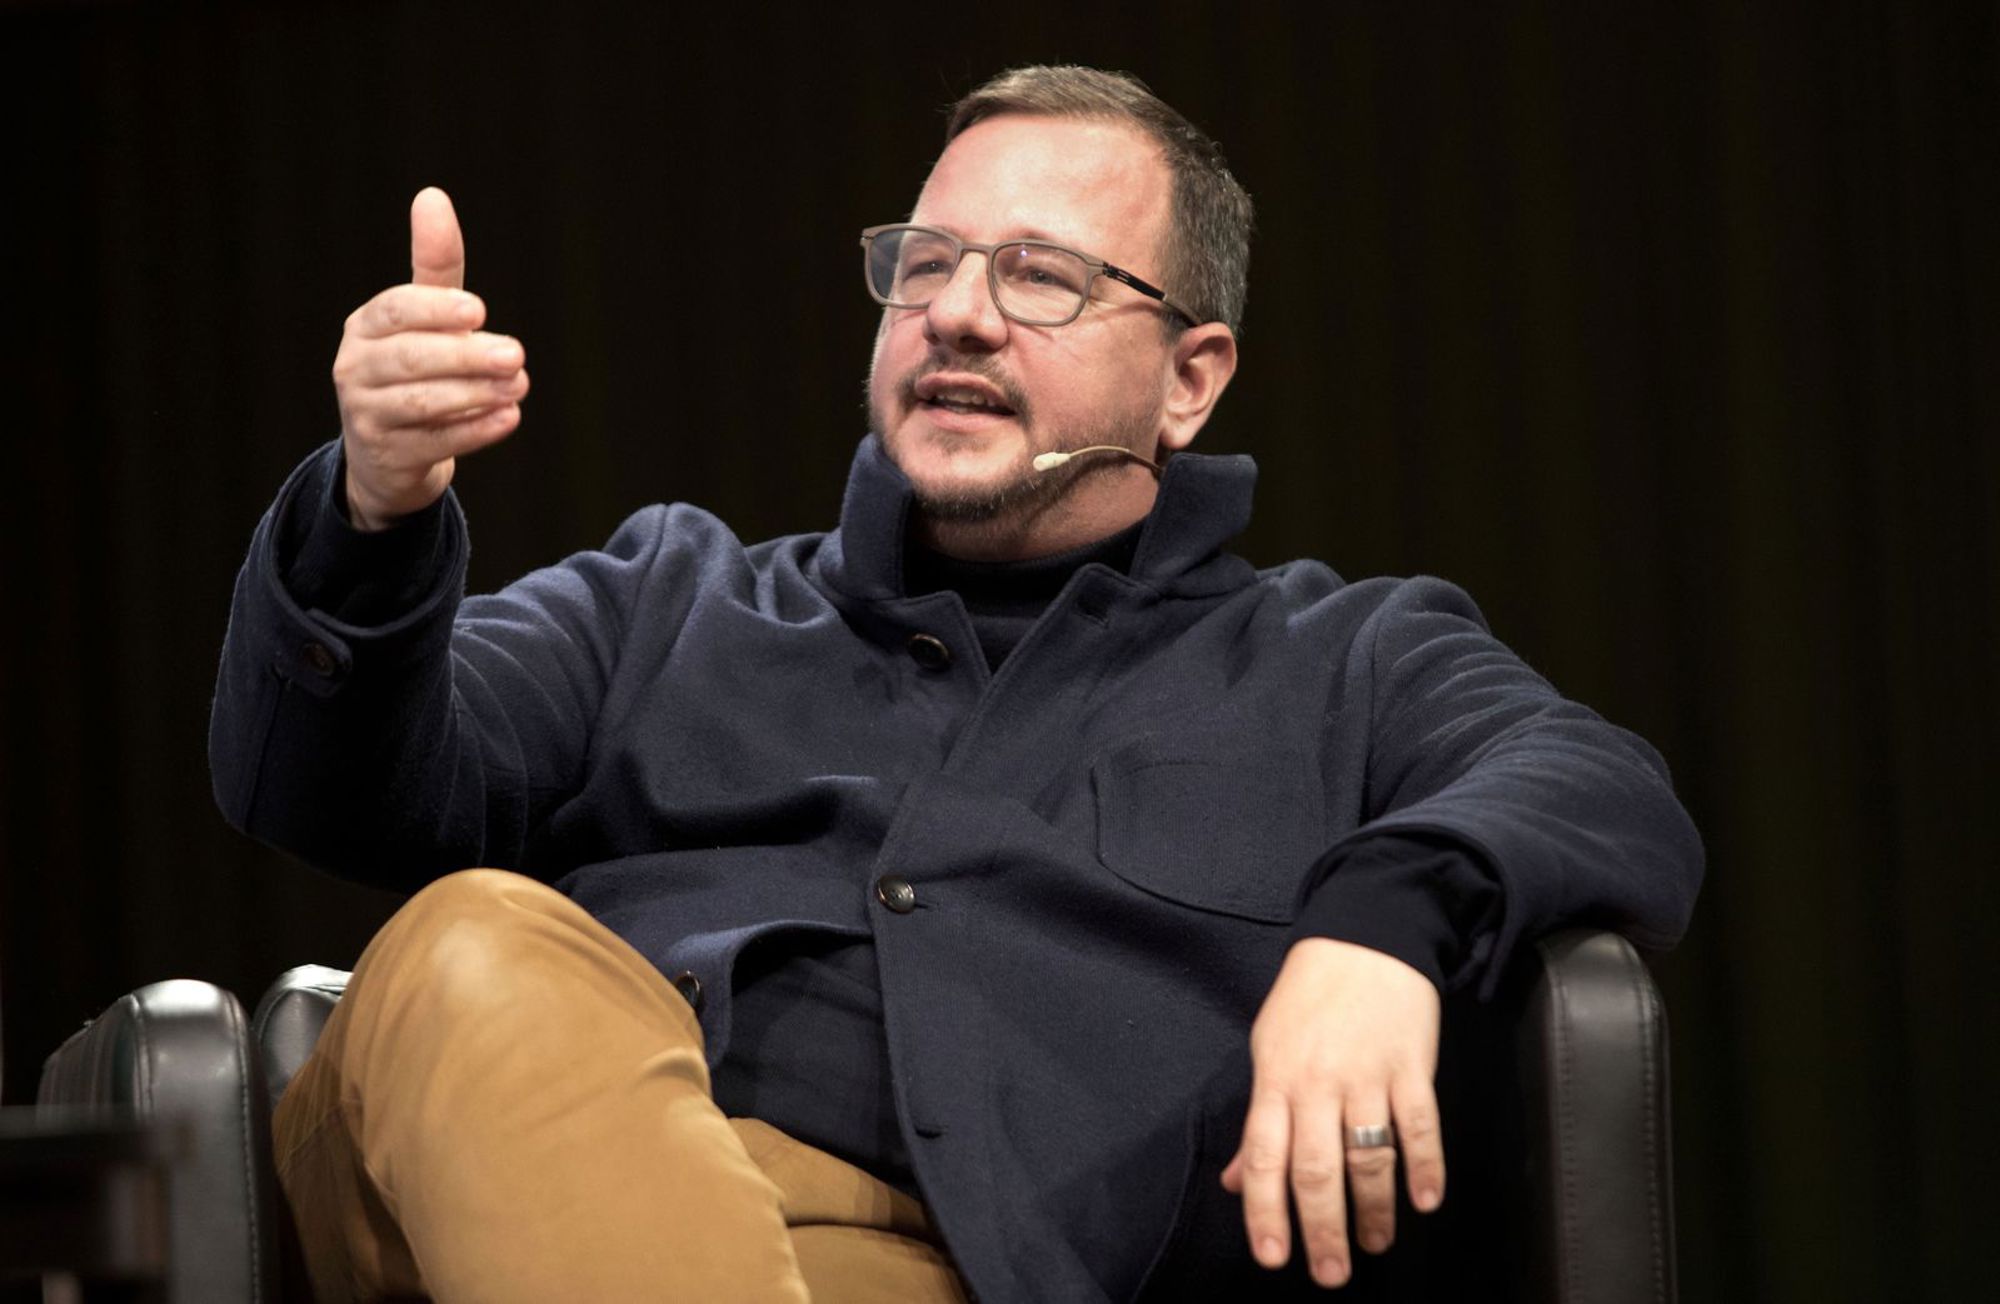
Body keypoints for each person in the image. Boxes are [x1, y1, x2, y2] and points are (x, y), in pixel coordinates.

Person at [211, 65, 1702, 1303]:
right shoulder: (668, 598)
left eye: (1042, 276)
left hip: (965, 1272)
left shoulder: (1343, 662)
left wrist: (1384, 923)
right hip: (532, 1177)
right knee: (469, 949)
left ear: (1191, 379)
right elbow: (315, 789)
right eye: (925, 264)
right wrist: (374, 513)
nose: (960, 314)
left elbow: (1599, 786)